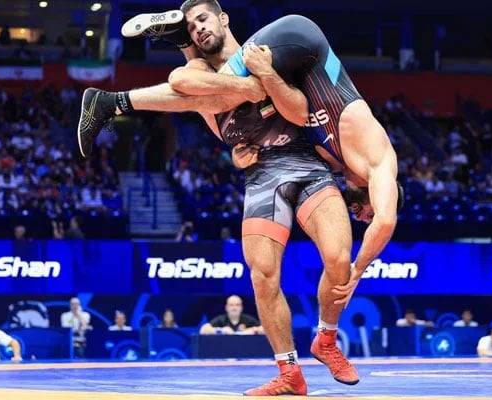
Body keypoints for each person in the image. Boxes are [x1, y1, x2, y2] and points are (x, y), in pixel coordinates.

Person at [76, 1, 362, 394]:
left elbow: (298, 112)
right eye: (191, 28)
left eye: (203, 20)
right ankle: (289, 372)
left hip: (305, 164)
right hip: (262, 176)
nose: (200, 29)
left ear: (224, 18)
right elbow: (184, 81)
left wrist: (264, 77)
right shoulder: (199, 74)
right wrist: (248, 89)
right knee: (263, 277)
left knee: (339, 259)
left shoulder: (266, 55)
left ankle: (326, 340)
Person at [120, 3, 402, 308]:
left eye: (363, 219)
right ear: (382, 194)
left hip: (292, 69)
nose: (362, 217)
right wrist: (357, 271)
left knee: (220, 112)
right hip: (300, 37)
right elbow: (386, 222)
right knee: (192, 87)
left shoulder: (335, 165)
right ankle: (115, 102)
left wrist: (241, 154)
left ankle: (185, 44)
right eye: (367, 214)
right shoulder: (380, 161)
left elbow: (285, 136)